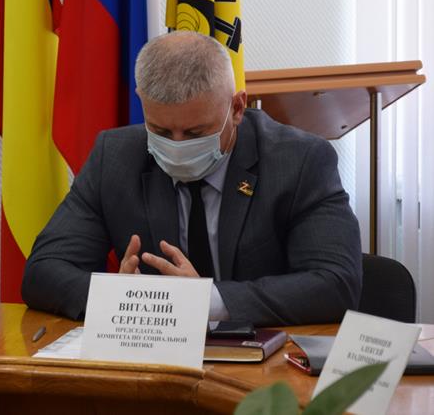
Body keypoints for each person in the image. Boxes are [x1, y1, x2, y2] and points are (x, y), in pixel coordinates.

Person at [22, 31, 362, 326]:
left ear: (237, 108)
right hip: (153, 359)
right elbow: (43, 271)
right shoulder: (115, 156)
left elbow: (336, 283)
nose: (177, 146)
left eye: (196, 133)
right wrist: (121, 298)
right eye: (160, 131)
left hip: (262, 363)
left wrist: (206, 302)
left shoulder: (300, 160)